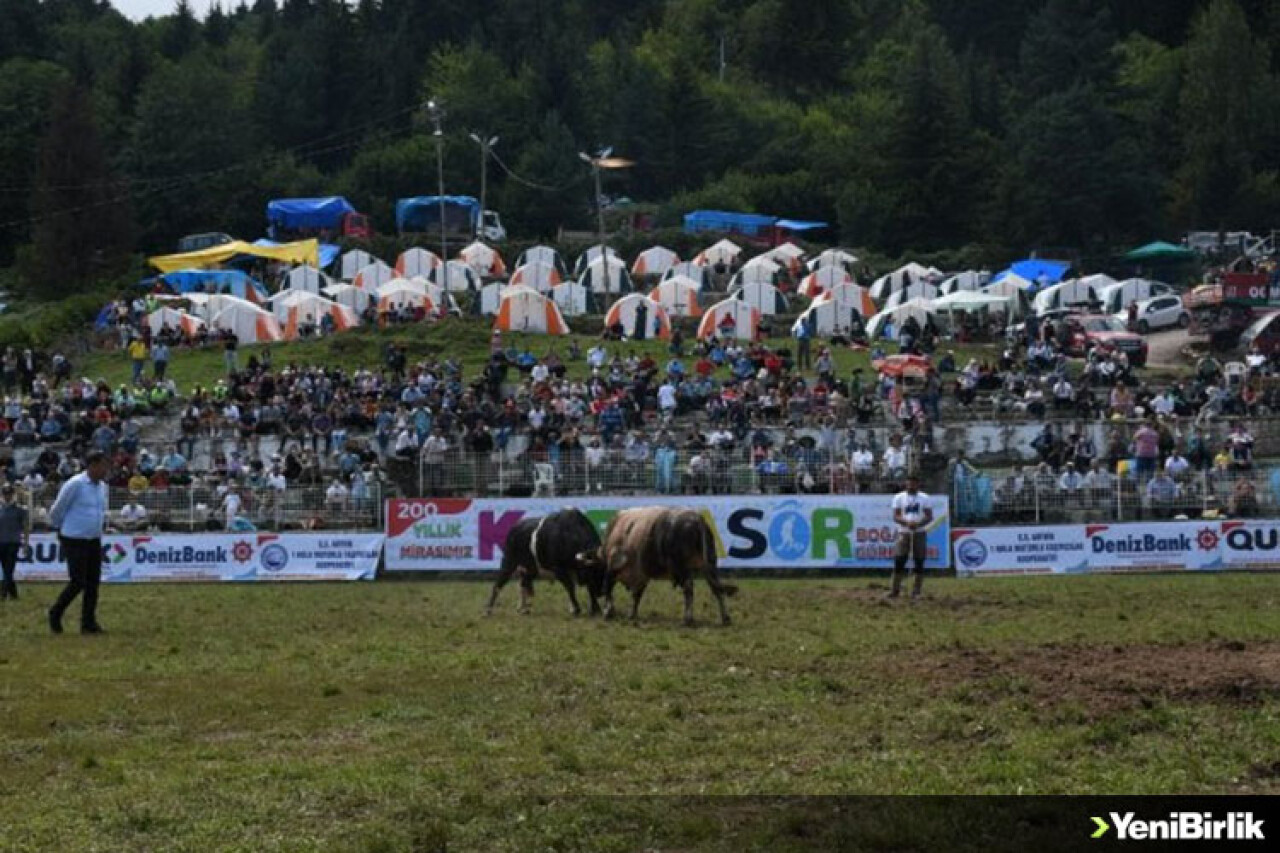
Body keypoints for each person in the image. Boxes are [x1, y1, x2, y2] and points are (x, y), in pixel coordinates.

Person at [47, 450, 111, 634]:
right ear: (92, 466)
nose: (105, 470)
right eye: (103, 466)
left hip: (93, 539)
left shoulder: (102, 487)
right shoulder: (75, 484)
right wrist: (60, 529)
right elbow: (58, 509)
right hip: (74, 539)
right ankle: (55, 613)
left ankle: (88, 623)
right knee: (78, 582)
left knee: (93, 583)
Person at [889, 474, 933, 600]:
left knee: (919, 561)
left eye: (914, 483)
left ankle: (916, 591)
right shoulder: (899, 497)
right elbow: (896, 516)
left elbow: (929, 516)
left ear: (918, 484)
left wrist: (918, 524)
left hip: (919, 532)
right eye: (909, 483)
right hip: (904, 531)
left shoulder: (924, 498)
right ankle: (894, 589)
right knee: (899, 560)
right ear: (906, 484)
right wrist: (906, 523)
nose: (911, 486)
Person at [0, 484, 29, 600]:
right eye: (5, 494)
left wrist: (26, 543)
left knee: (9, 569)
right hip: (1, 542)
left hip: (13, 542)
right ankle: (14, 595)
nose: (7, 496)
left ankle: (3, 594)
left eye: (9, 494)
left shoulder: (19, 509)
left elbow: (25, 527)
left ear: (13, 494)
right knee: (6, 570)